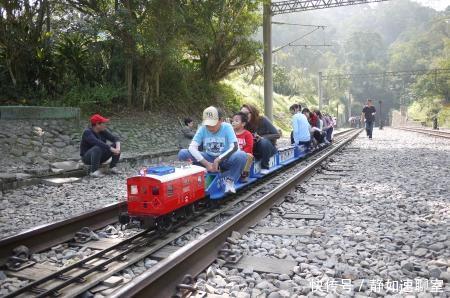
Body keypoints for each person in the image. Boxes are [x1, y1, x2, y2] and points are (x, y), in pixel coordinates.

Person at [178, 106, 247, 194]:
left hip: (225, 159)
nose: (209, 127)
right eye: (207, 124)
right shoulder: (203, 128)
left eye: (212, 123)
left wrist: (219, 159)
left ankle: (230, 181)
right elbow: (192, 147)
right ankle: (194, 179)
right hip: (209, 158)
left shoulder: (227, 127)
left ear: (221, 120)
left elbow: (234, 147)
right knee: (183, 153)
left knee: (241, 155)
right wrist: (206, 163)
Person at [240, 104, 280, 175]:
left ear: (252, 113)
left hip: (267, 149)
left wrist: (262, 137)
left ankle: (265, 166)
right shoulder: (242, 123)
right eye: (242, 114)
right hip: (252, 150)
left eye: (246, 114)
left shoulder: (262, 120)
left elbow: (277, 134)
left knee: (263, 142)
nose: (244, 116)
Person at [232, 112, 254, 181]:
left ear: (243, 124)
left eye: (236, 121)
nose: (233, 123)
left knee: (249, 155)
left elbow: (249, 147)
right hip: (232, 154)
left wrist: (240, 154)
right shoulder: (230, 133)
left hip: (243, 155)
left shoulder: (247, 134)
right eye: (233, 121)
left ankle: (244, 173)